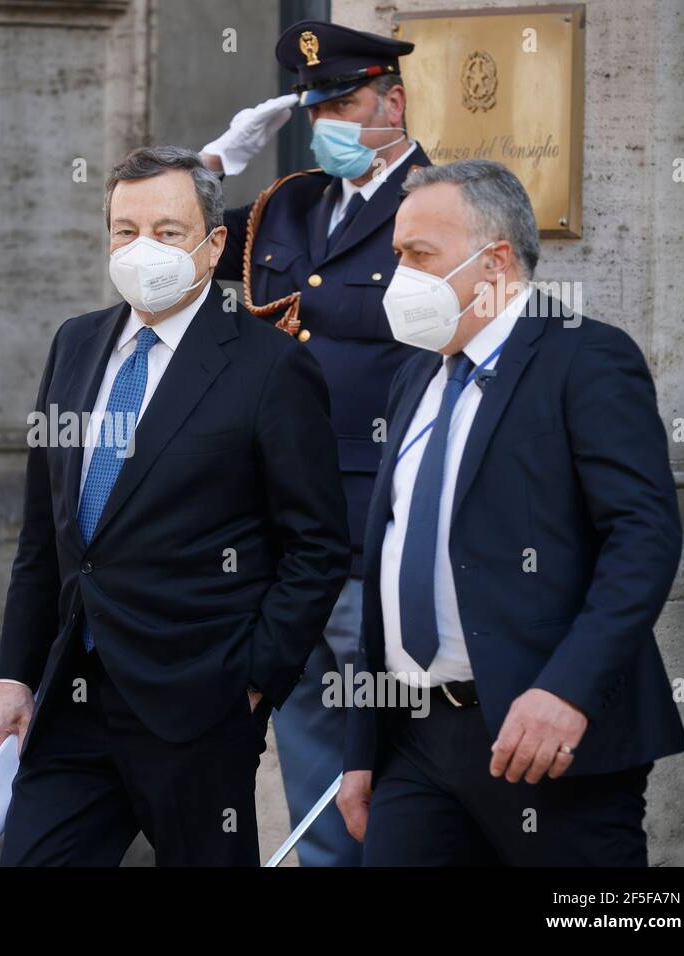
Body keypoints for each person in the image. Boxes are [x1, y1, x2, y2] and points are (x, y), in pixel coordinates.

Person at [0, 146, 350, 866]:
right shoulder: (76, 344)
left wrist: (251, 683)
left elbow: (317, 546)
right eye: (125, 229)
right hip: (72, 700)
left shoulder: (270, 365)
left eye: (168, 231)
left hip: (197, 708)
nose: (142, 247)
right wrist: (14, 676)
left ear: (213, 246)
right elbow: (43, 536)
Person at [335, 159, 684, 865]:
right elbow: (390, 558)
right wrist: (362, 747)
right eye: (396, 254)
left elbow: (643, 537)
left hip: (548, 743)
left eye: (418, 255)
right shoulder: (415, 376)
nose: (397, 274)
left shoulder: (585, 357)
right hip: (415, 744)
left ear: (494, 261)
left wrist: (567, 690)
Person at [200, 19, 428, 866]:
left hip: (377, 527)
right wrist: (212, 164)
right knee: (307, 757)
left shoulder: (443, 203)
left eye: (348, 101)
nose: (330, 119)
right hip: (278, 534)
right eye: (316, 105)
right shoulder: (282, 206)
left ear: (392, 100)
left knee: (394, 774)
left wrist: (323, 306)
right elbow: (171, 240)